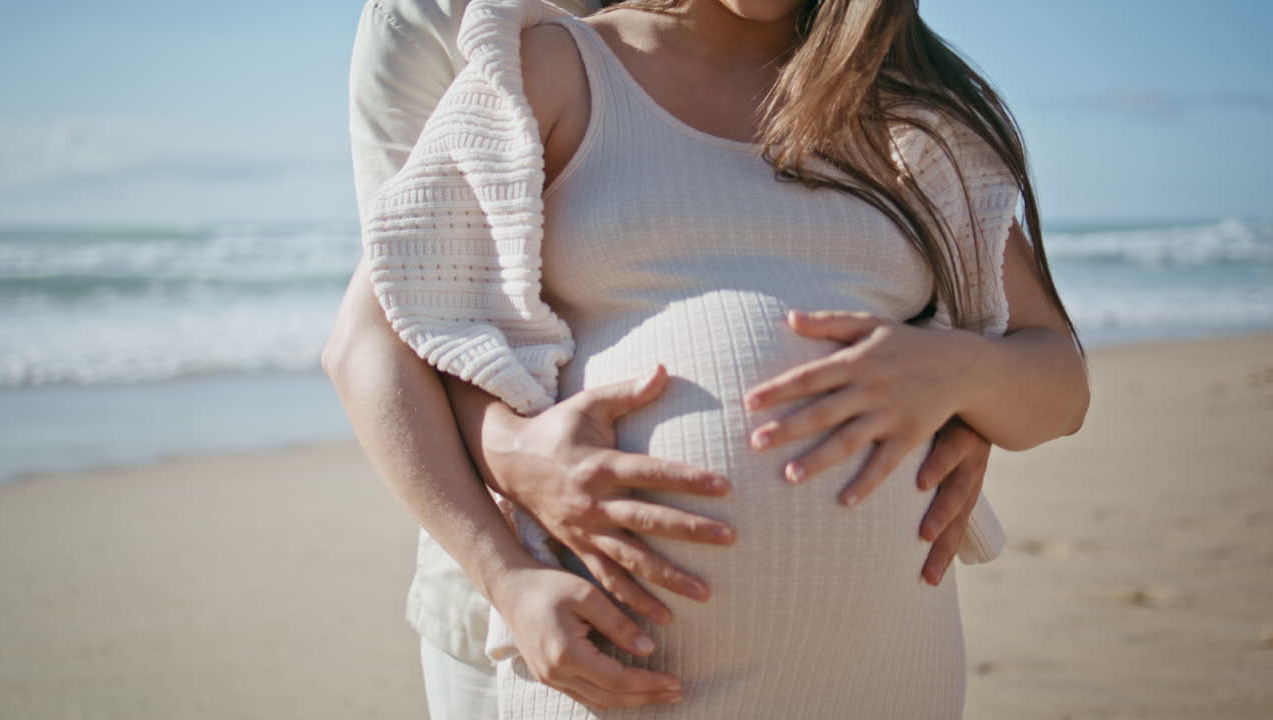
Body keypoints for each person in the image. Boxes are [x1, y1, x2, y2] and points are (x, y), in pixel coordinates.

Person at [328, 0, 1075, 717]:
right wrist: (510, 575)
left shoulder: (903, 115)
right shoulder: (548, 67)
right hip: (622, 675)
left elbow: (1059, 382)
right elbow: (377, 341)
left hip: (887, 674)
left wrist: (957, 375)